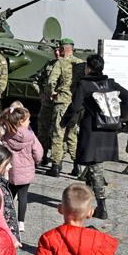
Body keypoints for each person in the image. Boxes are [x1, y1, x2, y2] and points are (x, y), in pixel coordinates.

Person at [62, 54, 128, 219]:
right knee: (93, 167)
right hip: (108, 131)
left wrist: (64, 121)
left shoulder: (84, 85)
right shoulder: (110, 83)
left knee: (95, 167)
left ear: (88, 68)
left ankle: (102, 206)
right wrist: (123, 118)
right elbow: (127, 96)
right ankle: (88, 202)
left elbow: (75, 106)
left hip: (91, 131)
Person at [1, 106, 43, 233]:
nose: (29, 122)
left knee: (10, 195)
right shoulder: (30, 136)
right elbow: (38, 151)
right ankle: (21, 222)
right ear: (21, 122)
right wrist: (37, 161)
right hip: (26, 170)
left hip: (11, 170)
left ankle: (6, 218)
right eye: (28, 120)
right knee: (23, 197)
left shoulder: (7, 135)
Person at [47, 38, 84, 177]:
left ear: (62, 49)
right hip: (75, 104)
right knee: (72, 135)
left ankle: (56, 166)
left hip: (62, 103)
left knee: (58, 134)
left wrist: (52, 93)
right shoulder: (81, 63)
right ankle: (77, 165)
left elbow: (51, 81)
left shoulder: (60, 62)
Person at [37, 45, 62, 161]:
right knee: (43, 130)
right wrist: (41, 94)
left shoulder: (70, 65)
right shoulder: (49, 65)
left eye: (59, 50)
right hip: (47, 104)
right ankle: (43, 155)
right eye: (55, 50)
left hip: (62, 105)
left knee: (60, 133)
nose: (57, 53)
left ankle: (59, 159)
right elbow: (36, 80)